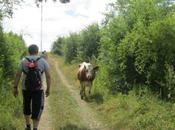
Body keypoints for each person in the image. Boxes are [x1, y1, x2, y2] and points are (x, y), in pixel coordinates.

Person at [13, 44, 51, 130]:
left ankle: (28, 126)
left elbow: (18, 75)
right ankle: (35, 128)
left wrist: (15, 87)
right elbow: (48, 76)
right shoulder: (43, 61)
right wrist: (48, 89)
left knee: (26, 106)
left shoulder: (23, 60)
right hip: (39, 89)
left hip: (26, 88)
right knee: (37, 108)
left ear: (28, 51)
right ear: (37, 52)